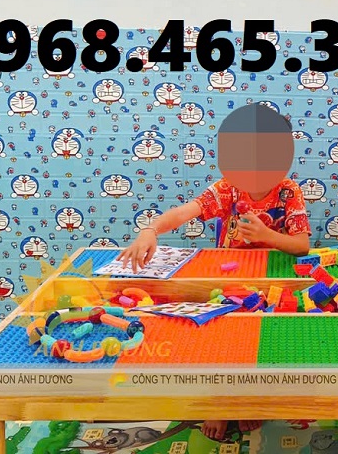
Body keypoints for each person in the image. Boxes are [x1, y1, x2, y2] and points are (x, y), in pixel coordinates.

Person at [117, 103, 310, 440]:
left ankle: (248, 400)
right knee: (225, 340)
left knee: (262, 340)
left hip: (271, 277)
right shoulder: (228, 188)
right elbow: (184, 213)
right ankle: (220, 402)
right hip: (230, 277)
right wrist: (151, 230)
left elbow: (302, 245)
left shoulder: (288, 191)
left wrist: (267, 236)